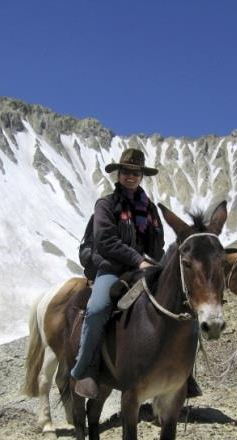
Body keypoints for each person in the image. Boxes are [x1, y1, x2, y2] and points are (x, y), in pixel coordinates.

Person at [70, 148, 203, 400]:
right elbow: (105, 241)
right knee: (98, 309)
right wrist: (137, 260)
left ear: (142, 176)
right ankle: (85, 368)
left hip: (145, 267)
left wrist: (154, 263)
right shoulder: (106, 205)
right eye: (126, 172)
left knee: (186, 311)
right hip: (112, 267)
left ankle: (184, 374)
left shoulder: (150, 210)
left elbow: (159, 242)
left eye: (136, 172)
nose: (131, 176)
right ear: (118, 174)